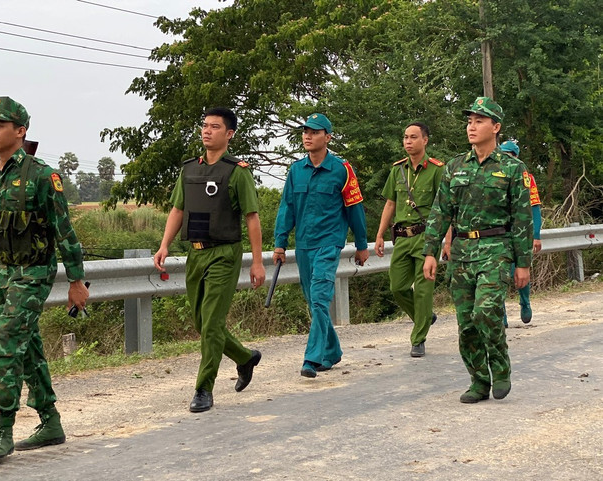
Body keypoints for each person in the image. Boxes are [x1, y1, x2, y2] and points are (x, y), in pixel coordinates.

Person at [0, 96, 89, 460]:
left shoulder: (41, 176)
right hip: (3, 272)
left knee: (6, 343)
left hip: (33, 272)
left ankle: (3, 429)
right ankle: (50, 422)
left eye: (0, 125)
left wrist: (76, 281)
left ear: (20, 131)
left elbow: (64, 231)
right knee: (29, 347)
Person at [153, 107, 265, 413]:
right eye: (204, 125)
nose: (206, 131)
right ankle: (244, 357)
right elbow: (178, 209)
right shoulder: (189, 169)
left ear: (229, 134)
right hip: (195, 253)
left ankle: (204, 388)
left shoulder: (237, 171)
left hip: (224, 254)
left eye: (215, 127)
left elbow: (252, 217)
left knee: (212, 322)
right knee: (203, 323)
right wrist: (164, 245)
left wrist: (257, 262)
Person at [422, 97, 533, 404]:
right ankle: (479, 381)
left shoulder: (513, 168)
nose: (471, 127)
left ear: (495, 127)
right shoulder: (455, 166)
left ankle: (500, 367)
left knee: (486, 312)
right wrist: (430, 252)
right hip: (461, 252)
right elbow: (440, 212)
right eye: (469, 121)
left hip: (496, 249)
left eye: (479, 121)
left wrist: (523, 263)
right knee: (467, 324)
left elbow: (522, 219)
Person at [273, 113, 369, 378]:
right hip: (304, 245)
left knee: (319, 298)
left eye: (314, 132)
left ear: (327, 137)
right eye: (306, 131)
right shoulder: (296, 171)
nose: (308, 136)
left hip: (329, 243)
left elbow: (355, 209)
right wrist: (280, 244)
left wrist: (362, 245)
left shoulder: (342, 169)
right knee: (313, 301)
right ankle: (332, 351)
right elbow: (286, 208)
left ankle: (311, 359)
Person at [375, 122, 445, 357]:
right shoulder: (397, 170)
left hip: (427, 236)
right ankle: (424, 316)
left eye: (413, 137)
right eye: (405, 137)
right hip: (402, 237)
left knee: (423, 290)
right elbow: (390, 204)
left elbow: (445, 208)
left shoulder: (436, 170)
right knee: (397, 287)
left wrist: (447, 240)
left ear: (425, 140)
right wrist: (379, 234)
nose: (408, 141)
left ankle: (418, 339)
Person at [499, 140, 542, 326]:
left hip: (519, 233)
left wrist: (536, 235)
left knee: (519, 271)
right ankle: (500, 315)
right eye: (503, 154)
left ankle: (525, 302)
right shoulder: (491, 174)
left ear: (516, 157)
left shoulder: (526, 177)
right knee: (497, 275)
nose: (505, 158)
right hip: (498, 233)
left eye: (509, 154)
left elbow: (535, 208)